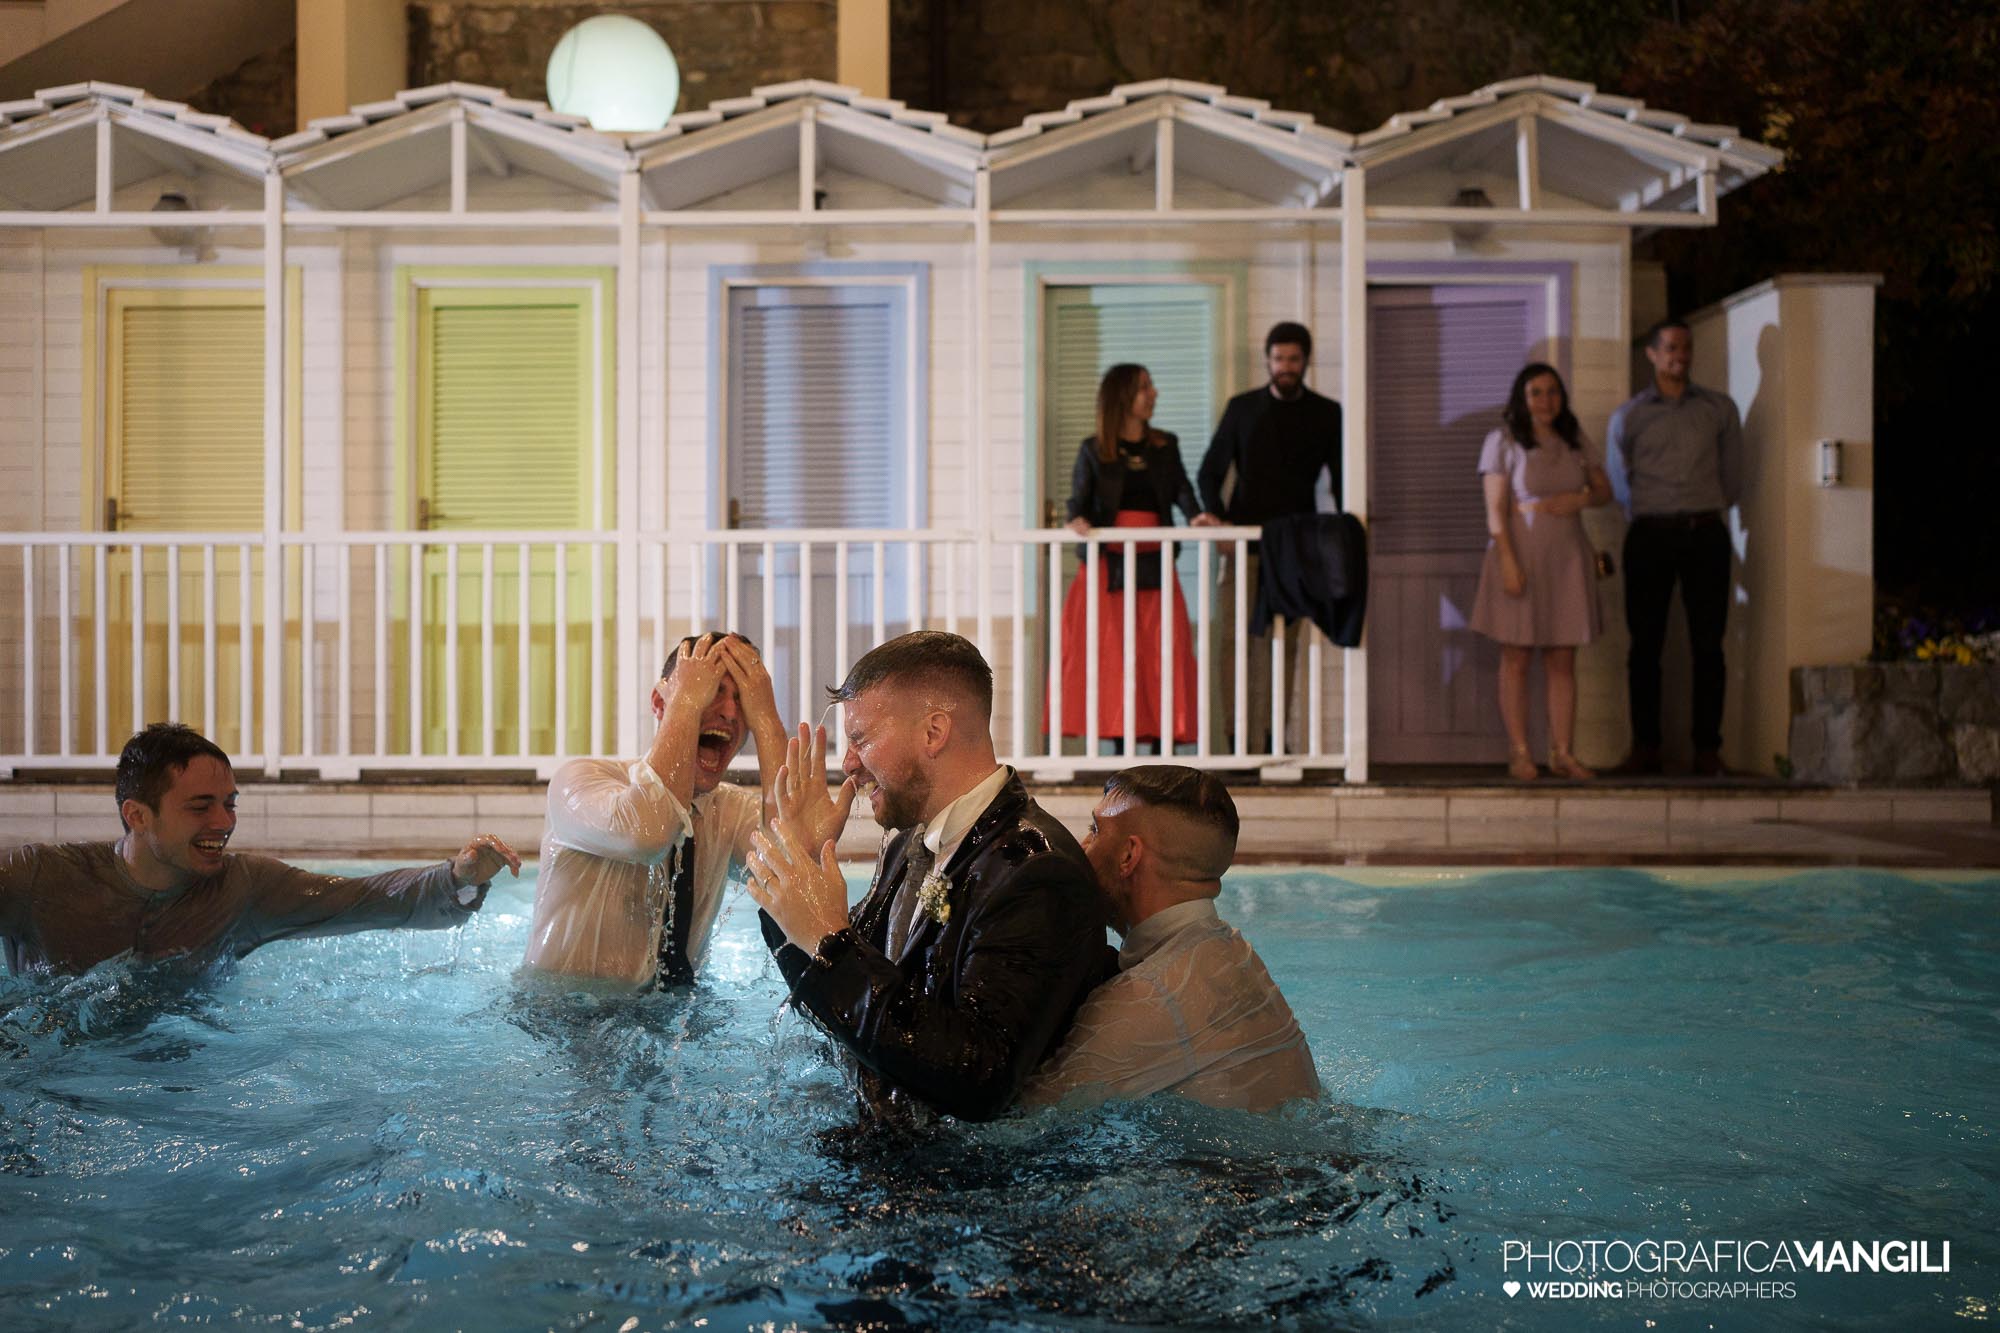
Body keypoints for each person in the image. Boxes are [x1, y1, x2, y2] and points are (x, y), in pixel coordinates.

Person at [744, 630, 1109, 1122]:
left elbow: (978, 1078)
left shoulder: (1037, 873)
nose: (849, 766)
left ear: (934, 732)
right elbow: (841, 1007)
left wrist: (831, 941)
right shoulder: (909, 844)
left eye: (862, 739)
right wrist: (801, 869)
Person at [0, 723, 519, 976]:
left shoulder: (242, 888)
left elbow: (366, 898)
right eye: (200, 806)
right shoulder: (38, 878)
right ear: (137, 815)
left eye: (230, 803)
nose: (224, 823)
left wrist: (458, 877)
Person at [1025, 765, 1318, 1112]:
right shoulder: (1233, 952)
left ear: (1127, 857)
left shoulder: (1150, 993)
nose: (1081, 847)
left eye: (1094, 830)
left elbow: (1022, 1121)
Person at [522, 632, 800, 988]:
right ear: (659, 702)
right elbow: (648, 833)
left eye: (742, 699)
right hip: (562, 1020)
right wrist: (684, 702)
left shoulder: (729, 811)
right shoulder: (579, 782)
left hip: (675, 1019)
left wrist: (766, 720)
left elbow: (793, 873)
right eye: (711, 689)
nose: (730, 712)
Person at [1604, 319, 1744, 777]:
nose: (1678, 355)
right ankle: (1647, 747)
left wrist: (1707, 508)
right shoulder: (1630, 416)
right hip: (1650, 534)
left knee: (1710, 644)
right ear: (1652, 354)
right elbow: (1619, 480)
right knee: (1645, 644)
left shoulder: (1718, 409)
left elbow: (1732, 475)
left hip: (1705, 533)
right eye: (1669, 348)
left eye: (1685, 347)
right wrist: (1649, 513)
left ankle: (1707, 749)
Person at [1054, 363, 1218, 749]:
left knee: (1161, 651)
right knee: (1110, 654)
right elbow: (1078, 500)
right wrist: (1074, 520)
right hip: (1106, 566)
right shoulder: (1093, 449)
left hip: (1156, 562)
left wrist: (1197, 515)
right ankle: (1116, 744)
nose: (1154, 393)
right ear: (1123, 396)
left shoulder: (1165, 444)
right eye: (1145, 387)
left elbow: (1182, 490)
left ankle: (1165, 744)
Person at [1195, 321, 1342, 753]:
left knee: (1285, 647)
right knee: (1235, 643)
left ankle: (1273, 739)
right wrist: (1220, 523)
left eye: (1294, 359)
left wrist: (1341, 535)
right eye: (1278, 359)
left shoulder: (1326, 413)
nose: (1286, 367)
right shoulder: (1243, 408)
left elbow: (1343, 479)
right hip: (1245, 547)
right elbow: (1209, 472)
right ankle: (1238, 739)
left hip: (1297, 551)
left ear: (1306, 361)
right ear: (1268, 360)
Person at [1469, 363, 1613, 781]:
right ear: (1522, 397)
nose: (1545, 400)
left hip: (1567, 555)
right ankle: (1519, 753)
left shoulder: (1573, 439)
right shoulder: (1504, 441)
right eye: (1536, 392)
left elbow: (1604, 490)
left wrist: (1581, 498)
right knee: (1515, 655)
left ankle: (1563, 753)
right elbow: (1495, 511)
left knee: (1563, 656)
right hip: (1522, 552)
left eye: (1552, 392)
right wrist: (1508, 561)